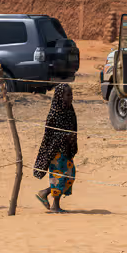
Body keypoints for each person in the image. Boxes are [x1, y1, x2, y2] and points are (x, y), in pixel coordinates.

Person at [33, 84, 78, 213]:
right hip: (56, 151)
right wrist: (66, 136)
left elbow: (74, 127)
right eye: (68, 95)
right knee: (58, 177)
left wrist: (72, 140)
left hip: (67, 150)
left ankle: (45, 192)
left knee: (69, 177)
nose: (70, 98)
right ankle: (55, 205)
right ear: (60, 96)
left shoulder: (70, 110)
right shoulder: (54, 113)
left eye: (71, 95)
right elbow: (50, 134)